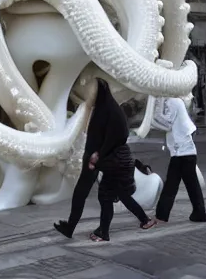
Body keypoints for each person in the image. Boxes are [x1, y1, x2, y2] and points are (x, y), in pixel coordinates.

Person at [54, 78, 156, 241]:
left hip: (111, 162)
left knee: (105, 196)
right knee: (109, 195)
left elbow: (119, 135)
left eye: (91, 91)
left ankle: (102, 231)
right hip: (106, 161)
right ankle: (143, 220)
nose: (88, 94)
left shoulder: (110, 110)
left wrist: (98, 155)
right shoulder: (101, 109)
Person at [153, 97, 206, 224]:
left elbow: (167, 124)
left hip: (182, 152)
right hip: (184, 152)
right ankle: (199, 214)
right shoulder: (174, 101)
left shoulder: (173, 101)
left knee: (172, 185)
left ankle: (162, 215)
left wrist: (157, 108)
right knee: (189, 186)